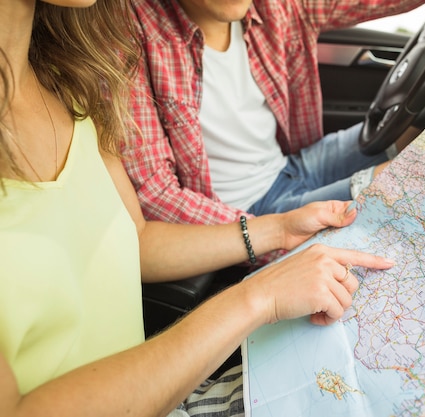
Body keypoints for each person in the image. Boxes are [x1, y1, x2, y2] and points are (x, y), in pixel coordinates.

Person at [0, 1, 395, 416]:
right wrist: (257, 298)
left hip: (170, 389)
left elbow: (139, 239)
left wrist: (277, 230)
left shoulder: (69, 81)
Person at [122, 0, 425, 241]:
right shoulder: (131, 36)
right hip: (243, 209)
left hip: (293, 164)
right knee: (413, 185)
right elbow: (157, 196)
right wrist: (266, 231)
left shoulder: (272, 7)